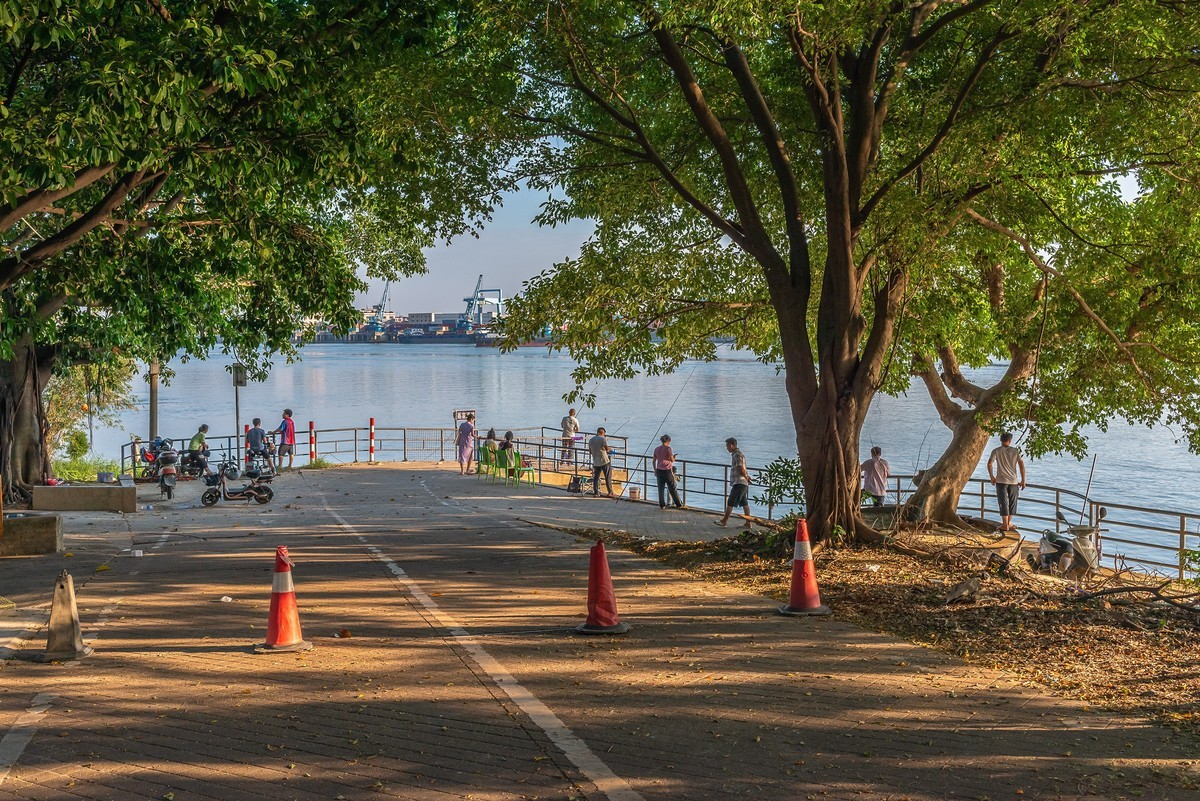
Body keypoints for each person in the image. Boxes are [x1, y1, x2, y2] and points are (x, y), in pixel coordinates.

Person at [987, 431, 1027, 533]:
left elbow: (990, 464)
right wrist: (1023, 480)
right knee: (1013, 503)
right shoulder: (1016, 451)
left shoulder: (996, 451)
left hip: (1000, 481)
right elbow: (1021, 465)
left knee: (1003, 502)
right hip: (1013, 481)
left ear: (1001, 440)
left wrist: (991, 477)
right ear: (1009, 441)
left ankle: (1005, 524)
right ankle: (1008, 523)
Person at [716, 437, 753, 529]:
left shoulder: (737, 455)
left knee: (730, 501)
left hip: (739, 482)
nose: (727, 448)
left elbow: (741, 468)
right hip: (741, 482)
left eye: (727, 446)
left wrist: (747, 477)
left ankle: (724, 521)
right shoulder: (737, 454)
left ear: (732, 445)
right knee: (744, 503)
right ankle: (748, 523)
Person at [653, 434, 684, 509]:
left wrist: (655, 470)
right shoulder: (668, 449)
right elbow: (671, 460)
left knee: (660, 488)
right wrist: (674, 457)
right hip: (667, 471)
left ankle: (662, 505)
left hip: (659, 470)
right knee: (672, 487)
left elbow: (654, 461)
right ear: (668, 441)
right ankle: (678, 504)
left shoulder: (657, 449)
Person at [588, 427, 614, 497]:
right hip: (604, 461)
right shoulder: (603, 439)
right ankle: (610, 492)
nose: (604, 435)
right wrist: (610, 449)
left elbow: (590, 452)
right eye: (604, 434)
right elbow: (607, 450)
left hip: (596, 462)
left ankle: (596, 492)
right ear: (602, 432)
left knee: (596, 478)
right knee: (607, 476)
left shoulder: (591, 440)